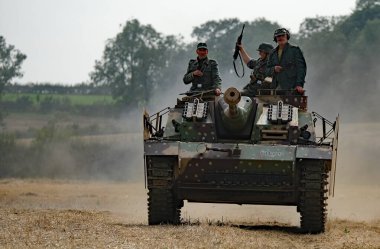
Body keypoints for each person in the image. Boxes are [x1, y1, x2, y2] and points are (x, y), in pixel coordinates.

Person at [267, 28, 307, 94]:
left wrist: (299, 84)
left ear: (287, 37)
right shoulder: (272, 53)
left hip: (292, 86)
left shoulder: (295, 50)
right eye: (278, 36)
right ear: (275, 38)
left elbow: (301, 68)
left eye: (283, 36)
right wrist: (274, 69)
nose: (281, 38)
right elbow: (267, 70)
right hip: (276, 86)